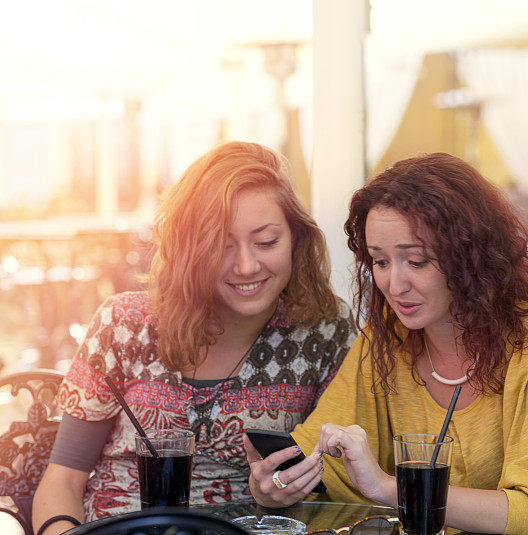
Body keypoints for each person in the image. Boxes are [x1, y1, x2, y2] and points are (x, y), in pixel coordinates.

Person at [245, 153, 528, 534]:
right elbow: (324, 459)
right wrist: (277, 485)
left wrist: (387, 487)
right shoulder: (388, 338)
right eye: (380, 262)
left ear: (470, 258)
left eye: (416, 262)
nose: (394, 285)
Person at [33, 141, 356, 534]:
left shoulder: (325, 328)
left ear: (296, 239)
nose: (246, 265)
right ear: (190, 249)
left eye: (267, 242)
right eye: (221, 245)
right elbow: (63, 479)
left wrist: (279, 492)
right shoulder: (125, 322)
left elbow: (340, 485)